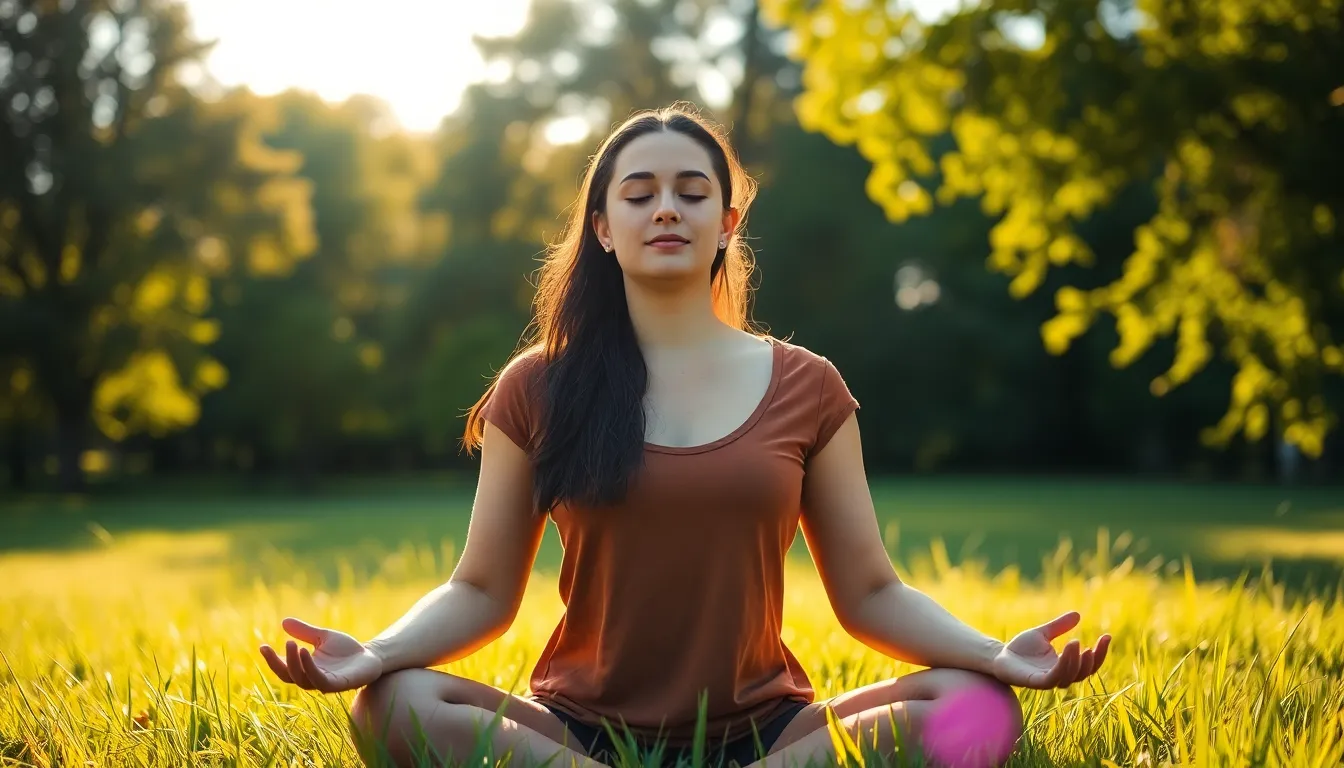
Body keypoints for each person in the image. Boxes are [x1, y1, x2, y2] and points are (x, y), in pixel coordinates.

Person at [259, 103, 1111, 768]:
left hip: (770, 735)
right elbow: (481, 591)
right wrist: (373, 654)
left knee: (982, 709)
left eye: (692, 192)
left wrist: (998, 654)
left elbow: (873, 595)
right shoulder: (538, 386)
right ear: (602, 227)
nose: (665, 209)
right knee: (393, 706)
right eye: (638, 194)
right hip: (577, 733)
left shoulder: (808, 386)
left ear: (727, 223)